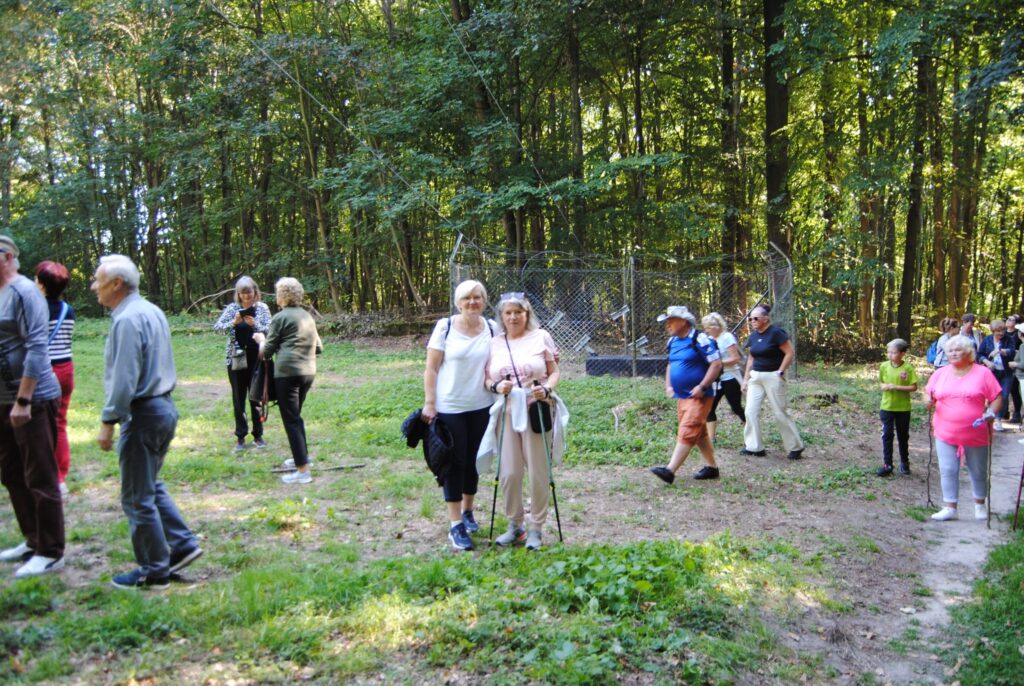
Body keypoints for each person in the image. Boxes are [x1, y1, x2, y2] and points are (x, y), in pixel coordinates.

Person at [92, 254, 202, 589]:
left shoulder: (127, 319)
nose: (93, 286)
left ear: (116, 284)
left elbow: (125, 378)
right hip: (163, 409)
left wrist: (108, 421)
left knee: (136, 497)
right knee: (149, 485)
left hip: (142, 414)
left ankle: (153, 570)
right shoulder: (151, 310)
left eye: (97, 279)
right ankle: (182, 544)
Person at [0, 236, 66, 578]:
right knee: (12, 474)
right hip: (3, 401)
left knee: (39, 474)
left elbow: (38, 348)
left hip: (32, 400)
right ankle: (33, 540)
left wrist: (24, 400)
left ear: (8, 256)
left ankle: (51, 550)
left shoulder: (25, 292)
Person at [422, 280, 494, 551]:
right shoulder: (446, 327)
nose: (472, 302)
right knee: (455, 463)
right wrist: (430, 403)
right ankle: (455, 525)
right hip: (450, 406)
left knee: (474, 461)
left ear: (484, 301)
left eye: (477, 297)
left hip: (482, 404)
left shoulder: (491, 327)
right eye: (467, 298)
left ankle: (468, 511)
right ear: (458, 302)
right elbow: (431, 368)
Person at [485, 292, 560, 550]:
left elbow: (554, 372)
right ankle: (515, 525)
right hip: (506, 412)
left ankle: (536, 527)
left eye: (518, 312)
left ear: (527, 314)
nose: (513, 317)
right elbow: (487, 379)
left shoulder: (541, 337)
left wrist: (547, 389)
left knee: (539, 471)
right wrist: (496, 386)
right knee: (508, 472)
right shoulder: (494, 343)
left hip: (535, 409)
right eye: (508, 313)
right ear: (501, 317)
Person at [924, 334, 1002, 522]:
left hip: (976, 432)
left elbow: (997, 397)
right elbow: (928, 393)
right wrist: (927, 400)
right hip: (945, 430)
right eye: (950, 350)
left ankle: (979, 505)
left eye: (958, 350)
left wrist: (991, 413)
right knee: (947, 468)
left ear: (969, 353)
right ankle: (950, 507)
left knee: (978, 469)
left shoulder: (982, 373)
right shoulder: (940, 373)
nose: (953, 353)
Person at [259, 277, 322, 484]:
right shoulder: (307, 316)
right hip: (308, 372)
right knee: (295, 417)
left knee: (291, 420)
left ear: (282, 296)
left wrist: (260, 340)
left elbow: (266, 352)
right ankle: (302, 457)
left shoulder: (280, 317)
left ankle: (302, 471)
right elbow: (319, 348)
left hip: (287, 373)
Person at [650, 306, 722, 485]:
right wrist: (668, 385)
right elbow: (670, 365)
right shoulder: (672, 342)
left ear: (683, 321)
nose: (667, 325)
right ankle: (712, 468)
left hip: (700, 396)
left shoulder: (700, 338)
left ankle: (670, 470)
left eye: (671, 320)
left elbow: (716, 364)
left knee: (689, 429)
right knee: (699, 433)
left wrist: (702, 386)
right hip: (682, 396)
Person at [213, 276, 272, 451]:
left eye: (249, 293)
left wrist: (255, 324)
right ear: (238, 294)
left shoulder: (262, 308)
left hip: (257, 359)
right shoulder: (232, 309)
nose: (246, 297)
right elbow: (217, 329)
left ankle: (258, 435)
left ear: (255, 292)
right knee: (238, 398)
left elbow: (270, 330)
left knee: (256, 396)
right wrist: (234, 322)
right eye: (243, 293)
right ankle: (240, 437)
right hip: (236, 359)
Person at [740, 305, 804, 459]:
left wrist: (780, 371)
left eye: (756, 318)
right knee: (750, 411)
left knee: (779, 412)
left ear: (765, 319)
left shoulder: (776, 333)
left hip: (773, 376)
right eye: (750, 319)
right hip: (756, 377)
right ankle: (754, 447)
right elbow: (751, 357)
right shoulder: (754, 336)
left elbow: (789, 352)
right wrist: (746, 379)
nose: (752, 321)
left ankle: (795, 447)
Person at [35, 261, 75, 495]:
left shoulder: (36, 308)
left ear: (41, 284)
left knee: (40, 426)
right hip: (66, 369)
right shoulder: (67, 309)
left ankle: (46, 475)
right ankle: (60, 478)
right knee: (59, 424)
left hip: (44, 371)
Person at [876, 339, 918, 477]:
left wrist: (896, 387)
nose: (890, 355)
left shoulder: (907, 368)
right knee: (887, 435)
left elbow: (914, 387)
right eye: (888, 352)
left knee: (903, 436)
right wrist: (885, 387)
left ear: (902, 353)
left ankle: (904, 463)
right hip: (887, 407)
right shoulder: (884, 366)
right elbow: (881, 383)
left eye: (893, 352)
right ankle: (887, 464)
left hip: (903, 409)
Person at [700, 312, 744, 446]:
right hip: (716, 379)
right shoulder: (708, 339)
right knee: (709, 408)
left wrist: (718, 363)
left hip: (730, 377)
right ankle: (711, 439)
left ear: (717, 326)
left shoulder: (727, 337)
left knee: (736, 407)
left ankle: (750, 430)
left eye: (709, 327)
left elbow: (736, 358)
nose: (706, 330)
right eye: (705, 328)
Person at [978, 319, 1016, 432]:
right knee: (992, 396)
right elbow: (979, 354)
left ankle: (998, 419)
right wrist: (987, 361)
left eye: (1003, 330)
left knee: (1004, 395)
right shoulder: (987, 340)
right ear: (993, 331)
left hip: (1006, 372)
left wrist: (1000, 351)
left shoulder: (1008, 339)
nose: (1001, 333)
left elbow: (1012, 351)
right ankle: (990, 416)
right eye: (998, 331)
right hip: (992, 372)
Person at [1006, 314, 1023, 424]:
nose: (1008, 321)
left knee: (1016, 391)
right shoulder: (1003, 333)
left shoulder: (1019, 337)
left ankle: (1017, 413)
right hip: (1005, 365)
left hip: (1017, 366)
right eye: (1007, 319)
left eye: (1011, 320)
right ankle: (1004, 412)